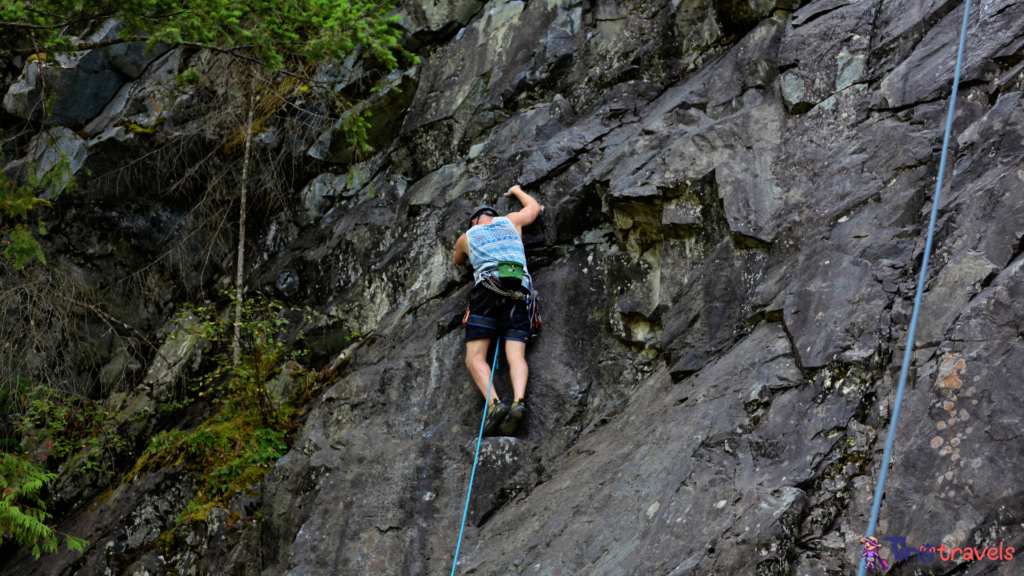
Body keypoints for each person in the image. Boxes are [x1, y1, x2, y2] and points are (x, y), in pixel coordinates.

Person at [453, 185, 541, 436]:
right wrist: (517, 190)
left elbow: (458, 260)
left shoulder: (468, 236)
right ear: (494, 215)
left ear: (474, 221)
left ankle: (494, 405)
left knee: (474, 358)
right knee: (516, 356)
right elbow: (534, 209)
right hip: (519, 291)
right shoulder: (511, 221)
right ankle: (519, 402)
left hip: (487, 292)